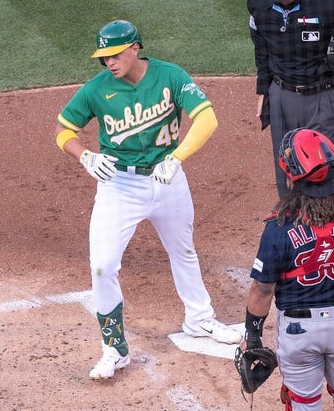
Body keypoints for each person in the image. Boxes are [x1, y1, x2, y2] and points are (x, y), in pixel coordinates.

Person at [54, 20, 242, 380]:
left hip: (167, 179)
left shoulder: (170, 76)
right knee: (102, 266)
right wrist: (85, 156)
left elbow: (207, 119)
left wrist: (176, 158)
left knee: (183, 250)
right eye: (103, 57)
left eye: (115, 54)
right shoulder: (96, 90)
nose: (109, 62)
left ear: (135, 48)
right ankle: (114, 348)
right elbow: (63, 130)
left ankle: (200, 320)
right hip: (119, 187)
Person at [240, 129, 334, 410]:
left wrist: (253, 335)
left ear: (291, 177)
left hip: (297, 332)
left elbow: (263, 289)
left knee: (304, 403)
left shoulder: (278, 229)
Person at [247, 0, 334, 198]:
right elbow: (261, 46)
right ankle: (291, 228)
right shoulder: (258, 0)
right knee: (285, 171)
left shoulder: (329, 1)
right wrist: (263, 88)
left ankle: (325, 226)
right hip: (280, 97)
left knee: (322, 170)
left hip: (321, 97)